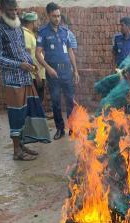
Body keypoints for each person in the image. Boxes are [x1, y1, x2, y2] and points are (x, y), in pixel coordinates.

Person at [0, 0, 50, 161]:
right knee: (16, 114)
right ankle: (16, 152)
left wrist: (32, 64)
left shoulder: (18, 27)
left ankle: (20, 144)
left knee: (25, 113)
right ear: (1, 9)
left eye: (15, 10)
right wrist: (19, 64)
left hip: (25, 77)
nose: (14, 13)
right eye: (10, 10)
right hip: (12, 79)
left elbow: (23, 50)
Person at [36, 2, 79, 140]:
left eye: (59, 16)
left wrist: (75, 70)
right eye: (54, 16)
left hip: (66, 71)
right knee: (55, 102)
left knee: (70, 101)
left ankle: (72, 128)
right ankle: (60, 129)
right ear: (48, 15)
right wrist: (48, 68)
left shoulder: (65, 32)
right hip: (53, 73)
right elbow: (38, 53)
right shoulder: (43, 33)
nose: (57, 19)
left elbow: (71, 52)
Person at [21, 11, 46, 102]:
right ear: (32, 22)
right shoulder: (26, 35)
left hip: (36, 74)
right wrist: (37, 74)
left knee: (38, 102)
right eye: (37, 21)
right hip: (34, 76)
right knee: (36, 103)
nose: (38, 23)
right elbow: (27, 57)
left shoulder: (30, 34)